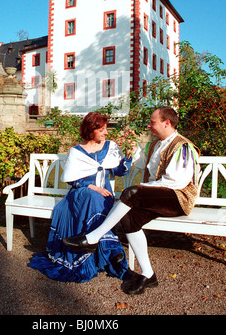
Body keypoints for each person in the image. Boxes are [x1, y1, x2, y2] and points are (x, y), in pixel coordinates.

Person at [63, 106, 200, 294]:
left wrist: (141, 190)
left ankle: (93, 237)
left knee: (132, 192)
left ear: (166, 123)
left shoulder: (182, 146)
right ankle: (148, 274)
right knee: (129, 219)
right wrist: (133, 150)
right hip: (159, 197)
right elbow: (145, 164)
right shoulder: (156, 144)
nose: (149, 125)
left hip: (178, 198)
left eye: (153, 122)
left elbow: (176, 181)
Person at [28, 111, 133, 283]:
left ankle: (104, 249)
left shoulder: (111, 147)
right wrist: (93, 187)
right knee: (93, 197)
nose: (106, 133)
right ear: (91, 130)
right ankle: (113, 252)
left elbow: (119, 171)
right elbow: (73, 181)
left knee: (98, 199)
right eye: (102, 130)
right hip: (81, 193)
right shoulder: (76, 152)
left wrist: (127, 158)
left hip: (103, 195)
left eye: (106, 129)